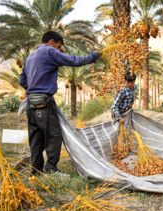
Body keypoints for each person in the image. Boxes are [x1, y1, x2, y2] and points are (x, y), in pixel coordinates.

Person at [19, 31, 102, 176]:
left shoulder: (29, 57)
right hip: (44, 102)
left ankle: (36, 171)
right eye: (58, 47)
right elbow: (74, 61)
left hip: (31, 103)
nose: (59, 51)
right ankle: (51, 168)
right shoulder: (50, 51)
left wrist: (34, 89)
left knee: (36, 138)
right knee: (53, 136)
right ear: (52, 42)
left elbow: (22, 81)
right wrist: (93, 56)